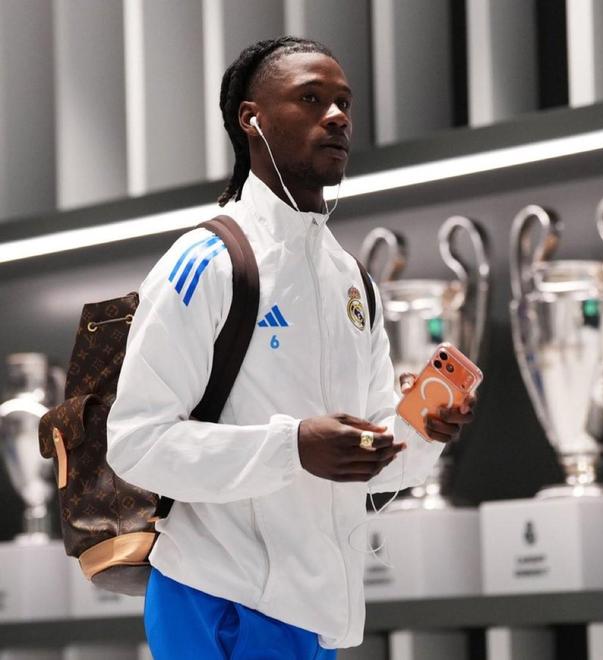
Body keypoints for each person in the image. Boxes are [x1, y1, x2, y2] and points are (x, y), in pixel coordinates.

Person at [107, 36, 475, 659]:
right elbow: (136, 443)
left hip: (314, 614)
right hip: (217, 599)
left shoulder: (352, 280)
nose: (336, 117)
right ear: (251, 119)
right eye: (310, 99)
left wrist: (422, 432)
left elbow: (375, 464)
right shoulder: (207, 260)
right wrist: (293, 446)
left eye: (343, 103)